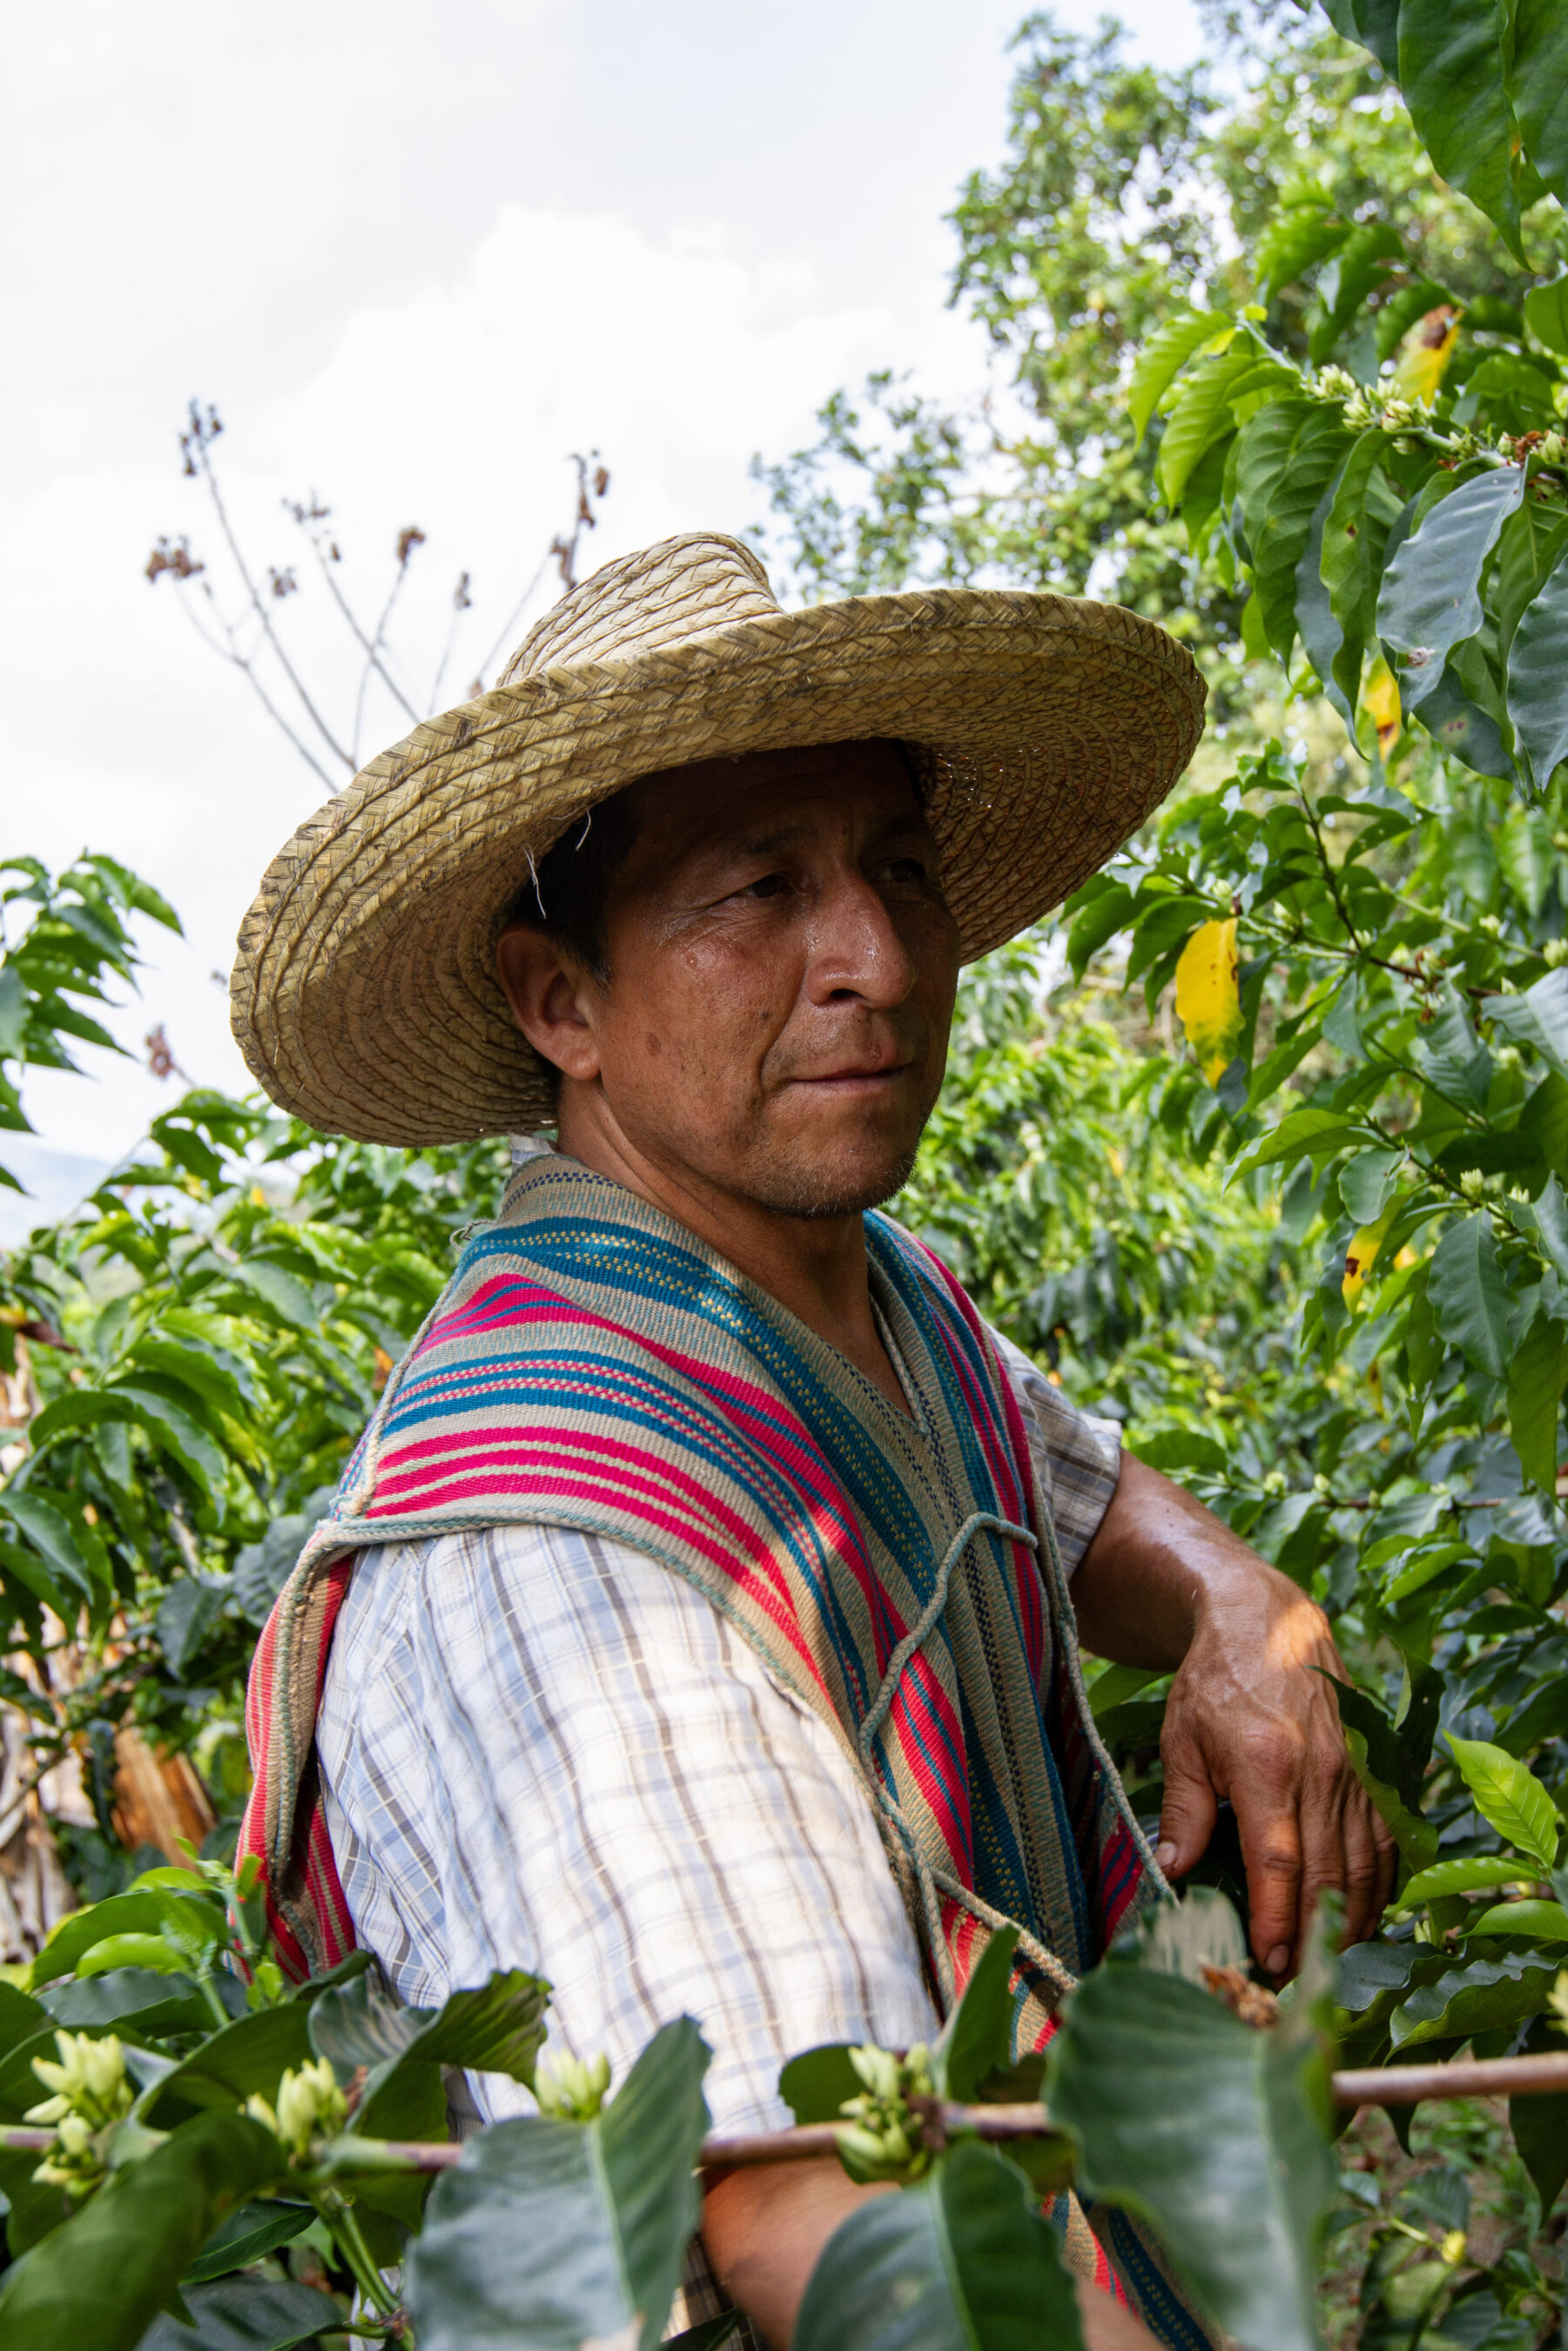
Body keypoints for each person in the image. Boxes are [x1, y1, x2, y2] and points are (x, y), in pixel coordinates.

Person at [234, 533, 1394, 2350]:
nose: (872, 958)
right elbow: (817, 2217)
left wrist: (1246, 1618)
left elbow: (1060, 1482)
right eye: (756, 889)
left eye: (898, 872)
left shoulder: (853, 1297)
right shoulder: (562, 1535)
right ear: (562, 1003)